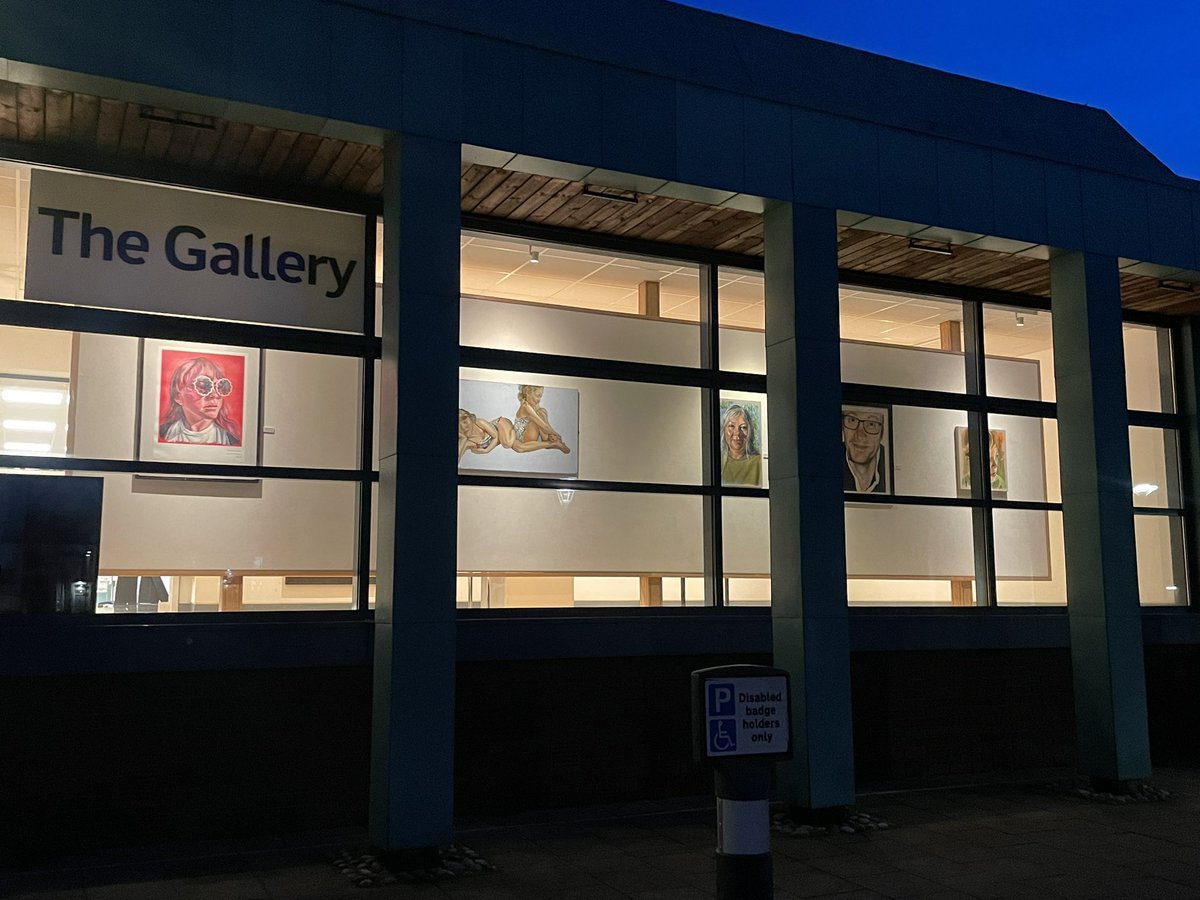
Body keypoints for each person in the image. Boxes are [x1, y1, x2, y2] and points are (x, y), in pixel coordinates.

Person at [159, 357, 241, 445]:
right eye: (203, 386)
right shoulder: (163, 433)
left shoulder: (230, 439)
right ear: (178, 396)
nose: (215, 395)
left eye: (220, 386)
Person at [512, 385, 570, 453]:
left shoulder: (533, 406)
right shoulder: (525, 406)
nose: (539, 399)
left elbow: (545, 426)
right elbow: (544, 426)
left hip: (531, 434)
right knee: (540, 415)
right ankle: (553, 442)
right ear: (528, 392)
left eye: (540, 396)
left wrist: (552, 434)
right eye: (538, 396)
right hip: (522, 438)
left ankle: (550, 439)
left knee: (542, 411)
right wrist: (557, 434)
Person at [842, 406, 886, 493]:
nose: (860, 436)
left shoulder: (892, 466)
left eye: (871, 424)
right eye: (852, 420)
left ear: (882, 432)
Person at [720, 403, 762, 486]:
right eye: (731, 426)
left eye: (743, 427)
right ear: (723, 430)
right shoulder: (717, 462)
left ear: (750, 431)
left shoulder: (759, 462)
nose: (737, 433)